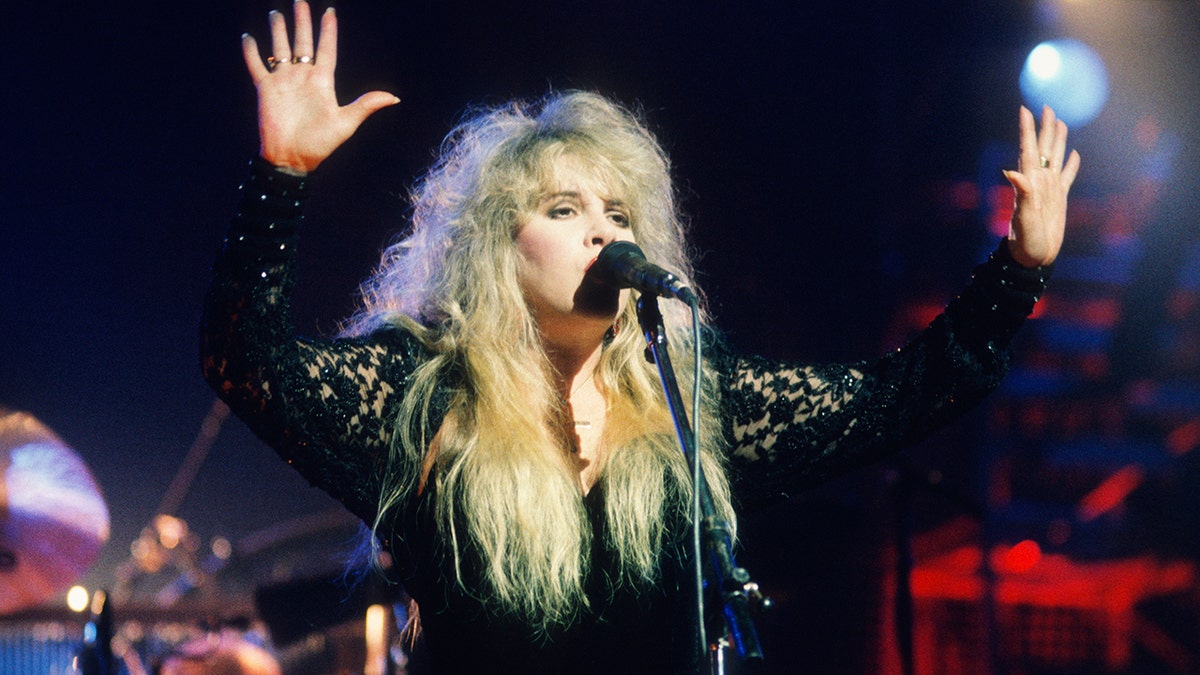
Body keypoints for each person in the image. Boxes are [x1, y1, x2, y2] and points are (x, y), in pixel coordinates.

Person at [200, 2, 1081, 672]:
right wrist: (281, 176)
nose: (602, 231)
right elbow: (249, 366)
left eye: (618, 212)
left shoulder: (687, 398)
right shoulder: (425, 393)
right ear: (498, 249)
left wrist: (1018, 268)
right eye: (563, 207)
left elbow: (904, 394)